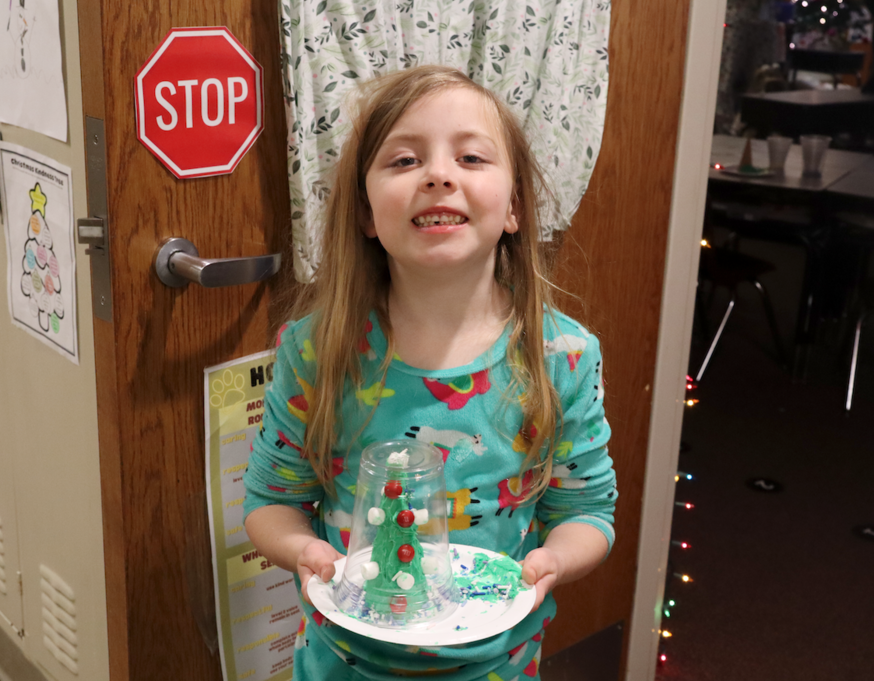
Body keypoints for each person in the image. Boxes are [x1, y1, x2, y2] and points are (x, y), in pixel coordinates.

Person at [243, 65, 617, 680]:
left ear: (515, 206)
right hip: (342, 664)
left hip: (496, 666)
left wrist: (554, 560)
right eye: (403, 161)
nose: (440, 175)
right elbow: (270, 502)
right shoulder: (314, 351)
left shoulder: (563, 357)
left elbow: (589, 511)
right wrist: (302, 550)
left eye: (471, 158)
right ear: (366, 213)